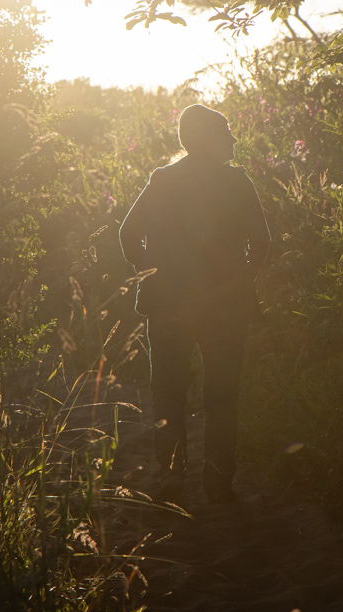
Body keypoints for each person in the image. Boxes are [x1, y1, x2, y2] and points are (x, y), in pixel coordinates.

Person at [119, 104, 270, 503]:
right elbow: (264, 244)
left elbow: (127, 233)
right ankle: (219, 486)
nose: (234, 140)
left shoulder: (162, 181)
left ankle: (171, 481)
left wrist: (151, 270)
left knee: (168, 392)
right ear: (208, 138)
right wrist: (239, 280)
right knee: (222, 397)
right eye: (226, 132)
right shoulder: (237, 183)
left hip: (167, 304)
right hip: (225, 308)